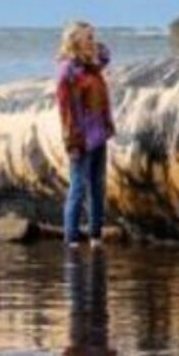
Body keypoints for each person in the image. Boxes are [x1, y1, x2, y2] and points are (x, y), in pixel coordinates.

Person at [55, 20, 115, 247]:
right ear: (75, 41)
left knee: (97, 185)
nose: (93, 41)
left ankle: (95, 235)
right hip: (81, 137)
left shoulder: (91, 66)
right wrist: (72, 139)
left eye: (93, 36)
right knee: (78, 186)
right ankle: (70, 238)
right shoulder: (68, 70)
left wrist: (92, 46)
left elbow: (107, 55)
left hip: (98, 133)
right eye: (88, 37)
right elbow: (65, 108)